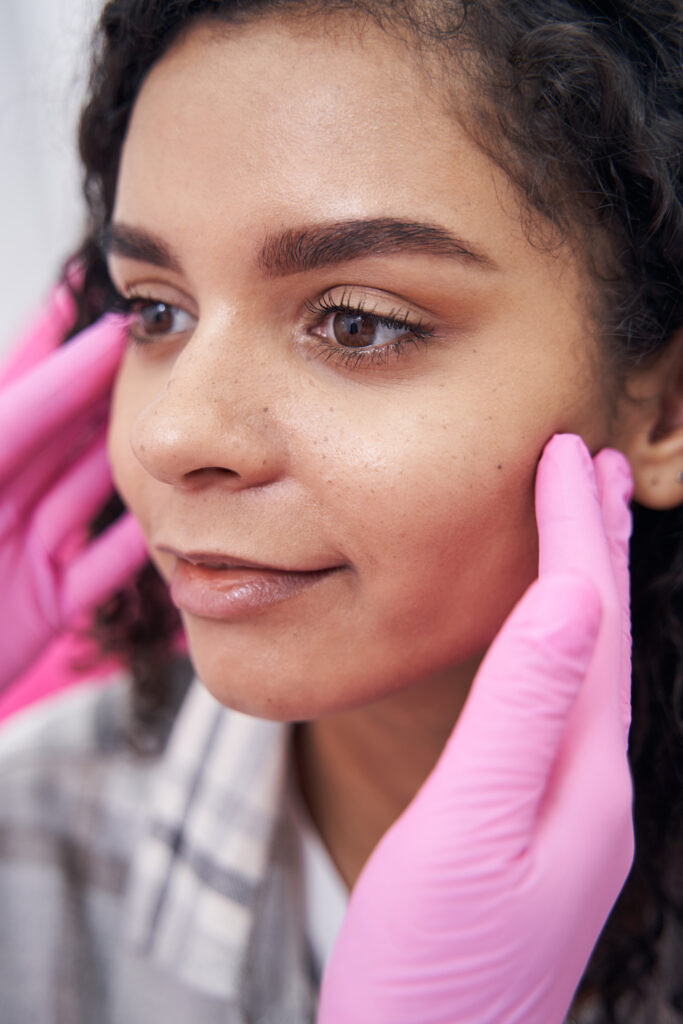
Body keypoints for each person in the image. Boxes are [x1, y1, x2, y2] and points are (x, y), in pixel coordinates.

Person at [0, 1, 680, 1021]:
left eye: (357, 323)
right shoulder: (31, 850)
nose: (171, 434)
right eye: (156, 310)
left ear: (664, 411)